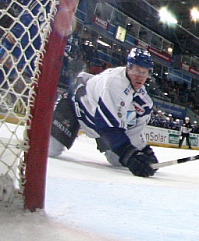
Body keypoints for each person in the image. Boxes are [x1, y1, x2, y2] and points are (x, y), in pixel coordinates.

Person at [48, 48, 158, 177]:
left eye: (144, 72)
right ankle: (36, 129)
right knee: (50, 149)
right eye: (137, 70)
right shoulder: (114, 84)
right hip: (76, 107)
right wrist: (130, 155)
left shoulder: (144, 102)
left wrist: (143, 151)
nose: (140, 76)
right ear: (128, 67)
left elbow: (132, 131)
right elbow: (108, 126)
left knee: (117, 161)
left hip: (100, 124)